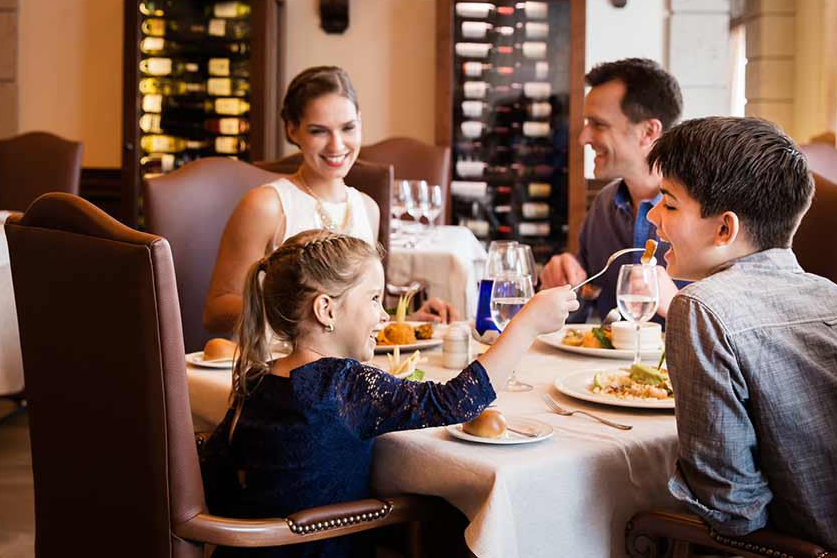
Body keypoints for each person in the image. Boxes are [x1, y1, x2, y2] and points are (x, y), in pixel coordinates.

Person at [646, 116, 837, 554]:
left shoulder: (700, 306)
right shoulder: (828, 292)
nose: (653, 216)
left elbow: (734, 512)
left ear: (725, 229)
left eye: (669, 205)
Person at [200, 229, 578, 557]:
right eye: (373, 299)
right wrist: (526, 325)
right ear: (326, 310)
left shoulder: (257, 378)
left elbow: (214, 471)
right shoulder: (342, 385)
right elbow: (458, 400)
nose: (384, 315)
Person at [204, 66, 457, 335]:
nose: (336, 145)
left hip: (349, 361)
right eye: (319, 131)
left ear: (360, 122)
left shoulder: (368, 209)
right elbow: (215, 313)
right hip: (281, 359)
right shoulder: (266, 206)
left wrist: (410, 321)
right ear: (292, 130)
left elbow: (361, 316)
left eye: (348, 128)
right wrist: (297, 312)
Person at [538, 58, 684, 323]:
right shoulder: (604, 205)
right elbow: (583, 313)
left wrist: (675, 306)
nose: (583, 138)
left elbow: (741, 333)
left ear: (648, 131)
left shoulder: (709, 214)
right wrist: (565, 287)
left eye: (599, 124)